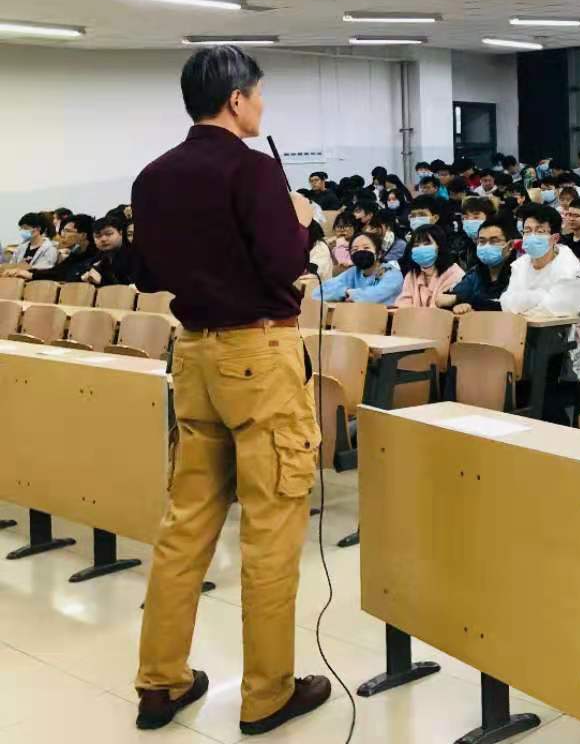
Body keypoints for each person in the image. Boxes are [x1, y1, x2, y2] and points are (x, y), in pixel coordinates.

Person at [129, 46, 330, 734]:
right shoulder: (254, 169)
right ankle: (268, 692)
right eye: (259, 95)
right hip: (259, 354)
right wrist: (299, 221)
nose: (261, 106)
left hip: (193, 354)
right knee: (271, 526)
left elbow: (148, 273)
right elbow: (282, 266)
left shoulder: (154, 175)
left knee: (185, 523)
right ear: (237, 99)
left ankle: (160, 680)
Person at [500, 205, 580, 417]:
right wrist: (538, 297)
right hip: (529, 336)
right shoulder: (520, 265)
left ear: (554, 237)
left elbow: (555, 308)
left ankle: (548, 416)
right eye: (527, 231)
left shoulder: (568, 265)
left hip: (571, 344)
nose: (531, 236)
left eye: (539, 231)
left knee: (542, 365)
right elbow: (507, 302)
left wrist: (526, 301)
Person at [438, 217, 514, 313]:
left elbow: (505, 306)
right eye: (482, 241)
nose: (487, 246)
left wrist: (464, 300)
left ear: (510, 245)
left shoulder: (519, 272)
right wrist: (461, 305)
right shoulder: (476, 272)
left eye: (494, 241)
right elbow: (442, 300)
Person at [313, 232, 403, 305]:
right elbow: (318, 293)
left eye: (366, 248)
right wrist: (344, 292)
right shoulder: (353, 272)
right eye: (355, 250)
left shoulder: (391, 273)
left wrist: (352, 294)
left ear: (379, 253)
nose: (360, 251)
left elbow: (376, 296)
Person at [395, 225, 465, 309]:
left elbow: (444, 308)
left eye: (427, 244)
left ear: (439, 246)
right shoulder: (411, 275)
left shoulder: (454, 274)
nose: (421, 248)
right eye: (416, 245)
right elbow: (402, 304)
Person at [25, 213, 100, 283]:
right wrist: (30, 272)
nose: (62, 235)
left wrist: (32, 275)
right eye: (63, 230)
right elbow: (56, 271)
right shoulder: (76, 253)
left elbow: (62, 274)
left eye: (68, 231)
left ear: (83, 235)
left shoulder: (96, 256)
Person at [83, 213, 136, 287]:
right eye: (98, 236)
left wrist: (102, 281)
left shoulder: (134, 256)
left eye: (108, 234)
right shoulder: (96, 260)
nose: (103, 239)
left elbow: (131, 288)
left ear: (121, 233)